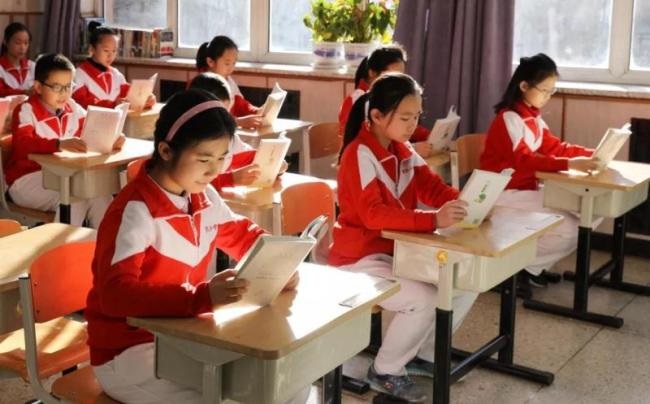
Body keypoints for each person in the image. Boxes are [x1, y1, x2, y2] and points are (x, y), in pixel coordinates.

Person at [85, 88, 308, 404]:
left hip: (182, 333)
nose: (215, 170)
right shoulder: (135, 211)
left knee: (283, 382)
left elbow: (242, 235)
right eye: (204, 159)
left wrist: (280, 262)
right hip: (127, 352)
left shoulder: (202, 196)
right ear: (165, 150)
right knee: (228, 396)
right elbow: (115, 296)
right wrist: (200, 297)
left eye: (221, 158)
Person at [330, 72, 477, 402]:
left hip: (397, 252)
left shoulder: (402, 148)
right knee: (422, 299)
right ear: (378, 117)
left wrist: (464, 203)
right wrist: (432, 219)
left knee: (464, 279)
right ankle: (385, 370)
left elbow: (432, 186)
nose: (413, 124)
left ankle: (420, 354)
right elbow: (374, 216)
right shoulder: (358, 154)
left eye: (417, 116)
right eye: (406, 117)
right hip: (358, 260)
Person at [480, 53, 600, 290]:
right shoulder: (509, 118)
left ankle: (533, 267)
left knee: (594, 210)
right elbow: (524, 160)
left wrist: (591, 154)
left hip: (526, 190)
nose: (547, 97)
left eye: (551, 91)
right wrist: (570, 165)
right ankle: (519, 269)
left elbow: (555, 147)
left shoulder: (532, 117)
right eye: (544, 90)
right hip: (504, 193)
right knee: (571, 228)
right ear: (523, 86)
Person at [5, 53, 119, 228]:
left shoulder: (73, 107)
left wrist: (112, 138)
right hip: (27, 180)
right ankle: (64, 250)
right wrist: (58, 144)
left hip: (63, 174)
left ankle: (101, 249)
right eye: (57, 87)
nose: (64, 94)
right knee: (74, 197)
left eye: (68, 86)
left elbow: (92, 131)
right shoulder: (26, 110)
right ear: (38, 87)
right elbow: (24, 143)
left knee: (100, 195)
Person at [338, 45, 433, 157]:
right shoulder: (356, 101)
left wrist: (431, 137)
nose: (398, 81)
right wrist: (412, 148)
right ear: (372, 73)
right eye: (391, 76)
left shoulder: (391, 97)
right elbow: (364, 143)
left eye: (401, 76)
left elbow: (403, 123)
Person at [73, 25, 156, 109]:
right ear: (92, 49)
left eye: (114, 51)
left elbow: (131, 93)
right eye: (106, 50)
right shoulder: (79, 74)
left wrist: (146, 98)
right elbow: (80, 103)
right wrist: (112, 105)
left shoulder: (116, 75)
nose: (110, 55)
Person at [196, 35, 262, 129]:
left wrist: (256, 111)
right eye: (227, 63)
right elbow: (208, 119)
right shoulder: (201, 85)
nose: (231, 68)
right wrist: (238, 122)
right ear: (210, 62)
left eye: (234, 63)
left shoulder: (228, 80)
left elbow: (239, 104)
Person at [0, 22, 34, 97]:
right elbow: (1, 92)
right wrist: (24, 92)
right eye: (18, 43)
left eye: (26, 43)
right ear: (5, 42)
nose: (22, 48)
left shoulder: (32, 66)